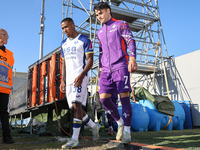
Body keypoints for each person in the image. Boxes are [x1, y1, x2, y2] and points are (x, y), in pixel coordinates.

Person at [94, 2, 138, 143]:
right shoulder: (99, 32)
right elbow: (101, 53)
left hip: (120, 66)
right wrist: (100, 70)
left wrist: (132, 58)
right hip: (106, 69)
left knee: (124, 98)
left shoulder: (121, 24)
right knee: (104, 99)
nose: (99, 17)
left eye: (101, 13)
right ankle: (119, 123)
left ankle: (127, 132)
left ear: (108, 10)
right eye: (96, 15)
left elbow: (130, 40)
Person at [59, 18, 100, 149]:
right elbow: (64, 64)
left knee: (77, 106)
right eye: (62, 28)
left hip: (81, 77)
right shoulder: (63, 44)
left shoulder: (84, 40)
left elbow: (90, 60)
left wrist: (82, 75)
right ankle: (94, 126)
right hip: (69, 80)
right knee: (74, 109)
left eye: (66, 27)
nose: (64, 30)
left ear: (73, 25)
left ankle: (74, 139)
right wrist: (63, 80)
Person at [0, 29, 14, 144]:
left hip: (4, 89)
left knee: (4, 113)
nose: (7, 37)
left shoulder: (10, 54)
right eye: (6, 35)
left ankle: (7, 137)